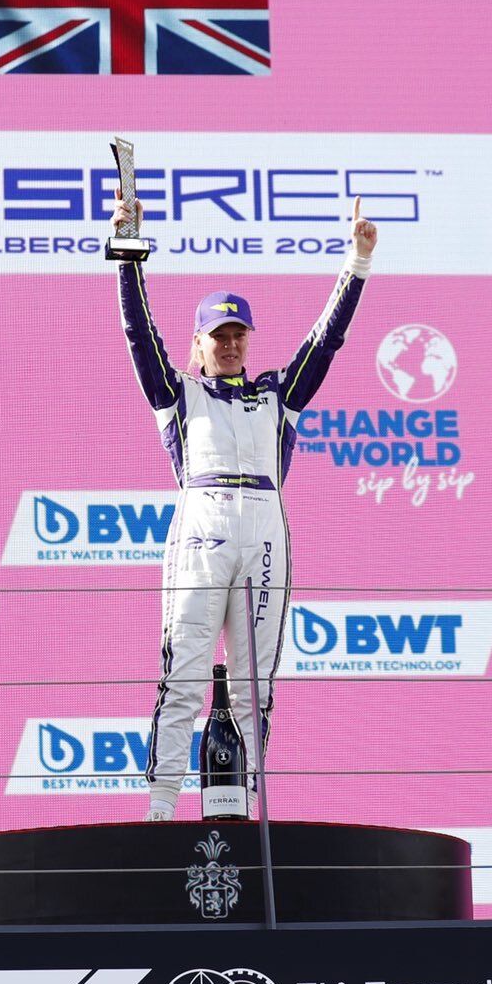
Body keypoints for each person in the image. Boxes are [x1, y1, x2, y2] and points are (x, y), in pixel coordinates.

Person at [114, 196, 377, 821]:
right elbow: (137, 330)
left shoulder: (277, 394)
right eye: (218, 336)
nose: (230, 345)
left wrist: (358, 263)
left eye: (239, 335)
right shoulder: (176, 391)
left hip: (263, 527)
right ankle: (160, 807)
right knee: (184, 671)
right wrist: (128, 249)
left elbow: (327, 339)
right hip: (201, 523)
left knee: (255, 683)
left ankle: (247, 808)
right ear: (199, 343)